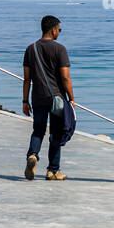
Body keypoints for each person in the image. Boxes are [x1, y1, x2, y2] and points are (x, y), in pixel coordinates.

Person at [22, 16, 74, 181]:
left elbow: (27, 78)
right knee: (56, 134)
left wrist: (25, 101)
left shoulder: (31, 49)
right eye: (59, 29)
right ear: (53, 29)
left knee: (38, 130)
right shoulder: (60, 49)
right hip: (57, 99)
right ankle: (53, 171)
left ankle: (33, 155)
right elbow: (65, 78)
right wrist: (72, 98)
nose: (59, 32)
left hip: (37, 97)